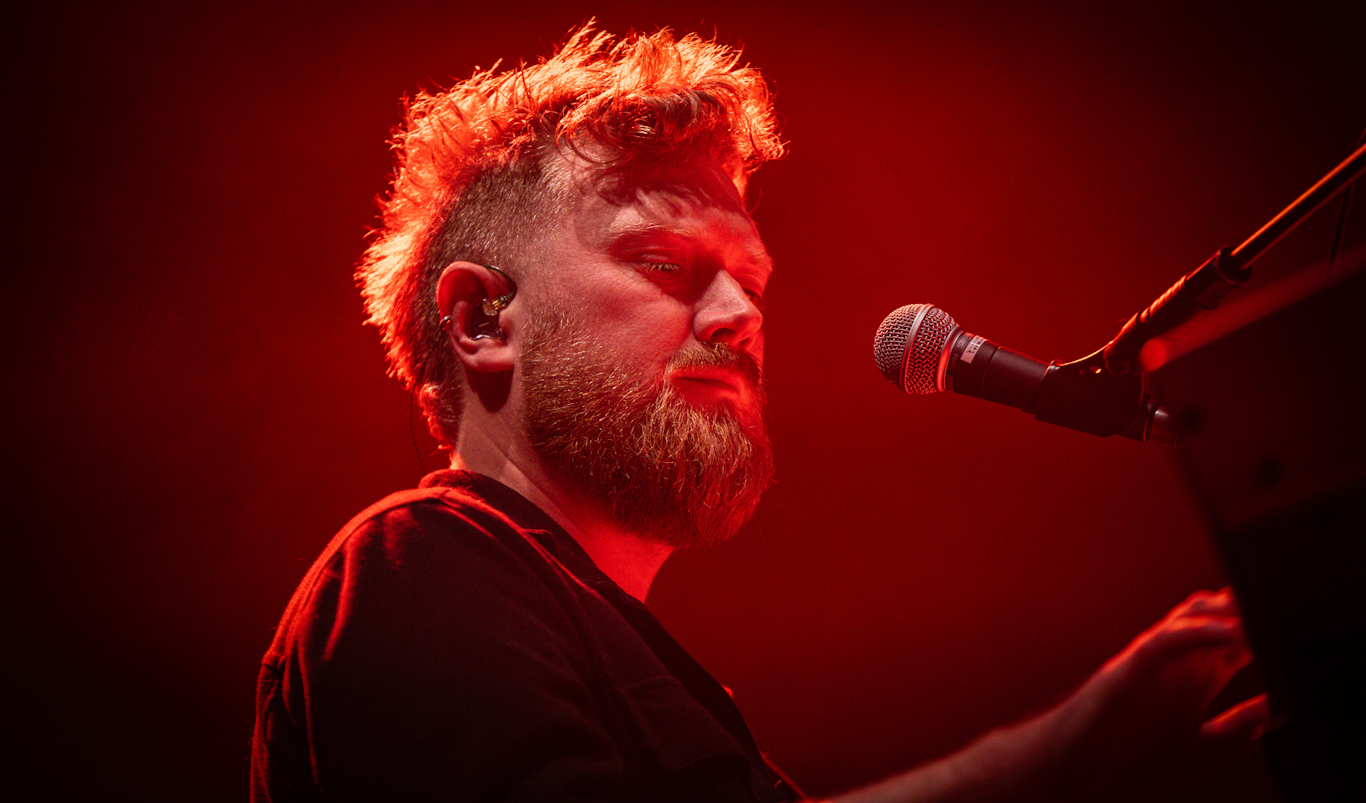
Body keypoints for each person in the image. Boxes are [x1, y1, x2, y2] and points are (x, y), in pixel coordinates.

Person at [250, 25, 1268, 802]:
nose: (740, 316)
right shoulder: (410, 564)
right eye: (662, 264)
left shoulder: (643, 667)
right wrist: (1082, 751)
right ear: (482, 318)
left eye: (752, 282)